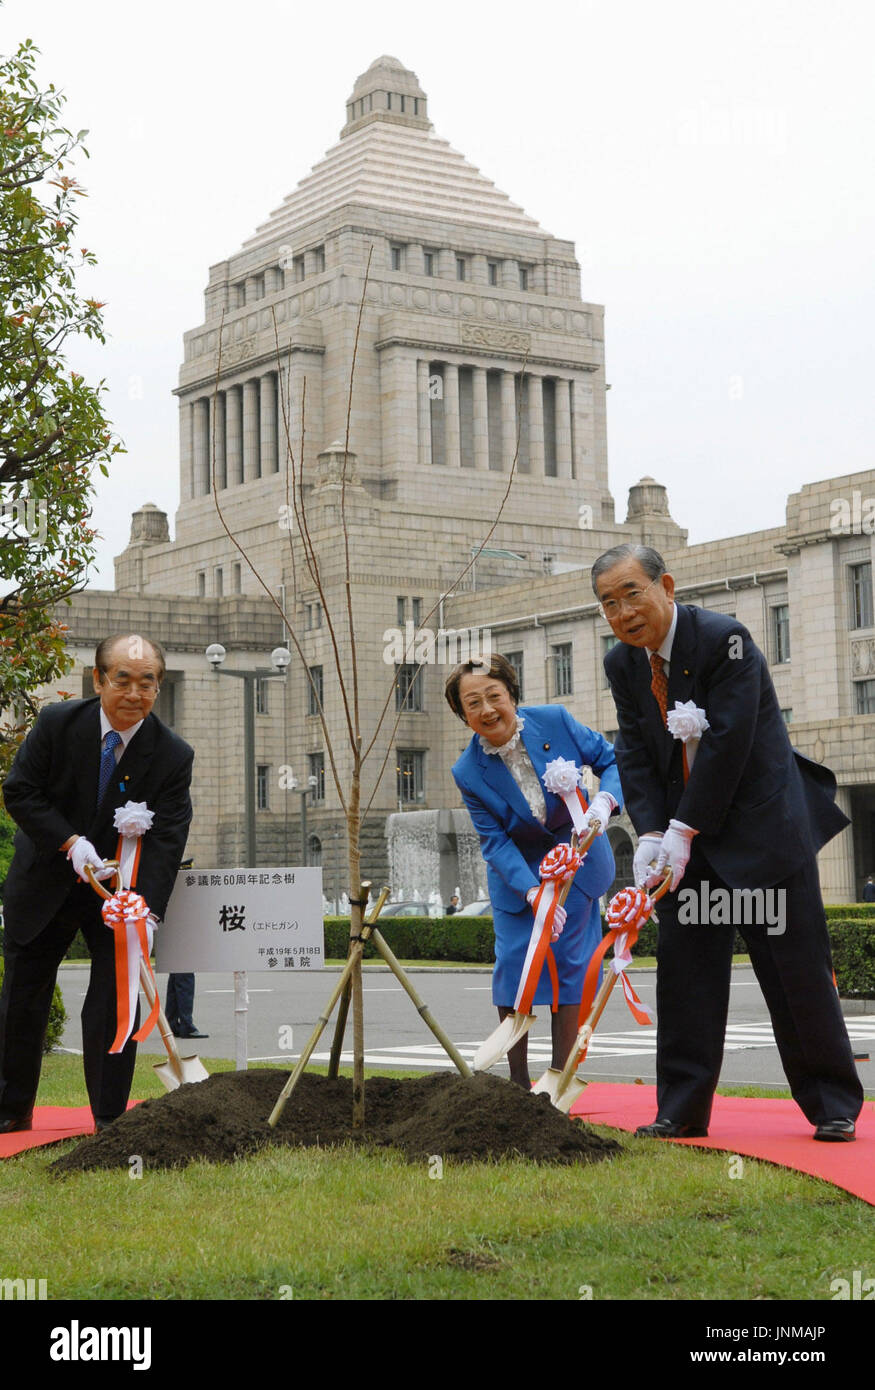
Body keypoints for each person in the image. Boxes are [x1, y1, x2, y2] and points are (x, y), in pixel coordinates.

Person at [594, 543, 863, 1141]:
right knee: (687, 976)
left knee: (796, 973)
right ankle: (681, 1111)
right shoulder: (622, 666)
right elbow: (635, 752)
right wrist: (653, 833)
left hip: (762, 833)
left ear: (666, 585)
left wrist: (685, 828)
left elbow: (729, 744)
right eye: (608, 604)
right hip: (685, 850)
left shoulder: (725, 640)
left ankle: (833, 1104)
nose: (622, 613)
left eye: (631, 594)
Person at [0, 634, 194, 1133]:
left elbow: (169, 837)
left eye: (147, 683)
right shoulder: (58, 724)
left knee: (113, 999)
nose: (134, 693)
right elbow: (20, 791)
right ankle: (9, 1108)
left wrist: (146, 910)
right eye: (122, 680)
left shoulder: (172, 754)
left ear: (159, 686)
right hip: (46, 877)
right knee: (23, 996)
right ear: (98, 679)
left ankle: (109, 1118)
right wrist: (70, 843)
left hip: (118, 897)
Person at [447, 654, 621, 1088]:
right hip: (518, 873)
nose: (487, 710)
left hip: (576, 855)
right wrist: (531, 892)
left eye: (494, 696)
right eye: (473, 703)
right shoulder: (468, 770)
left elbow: (612, 761)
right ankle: (517, 1085)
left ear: (512, 694)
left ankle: (560, 1080)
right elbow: (494, 841)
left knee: (571, 967)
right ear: (463, 715)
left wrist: (604, 803)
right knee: (513, 964)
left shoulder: (556, 721)